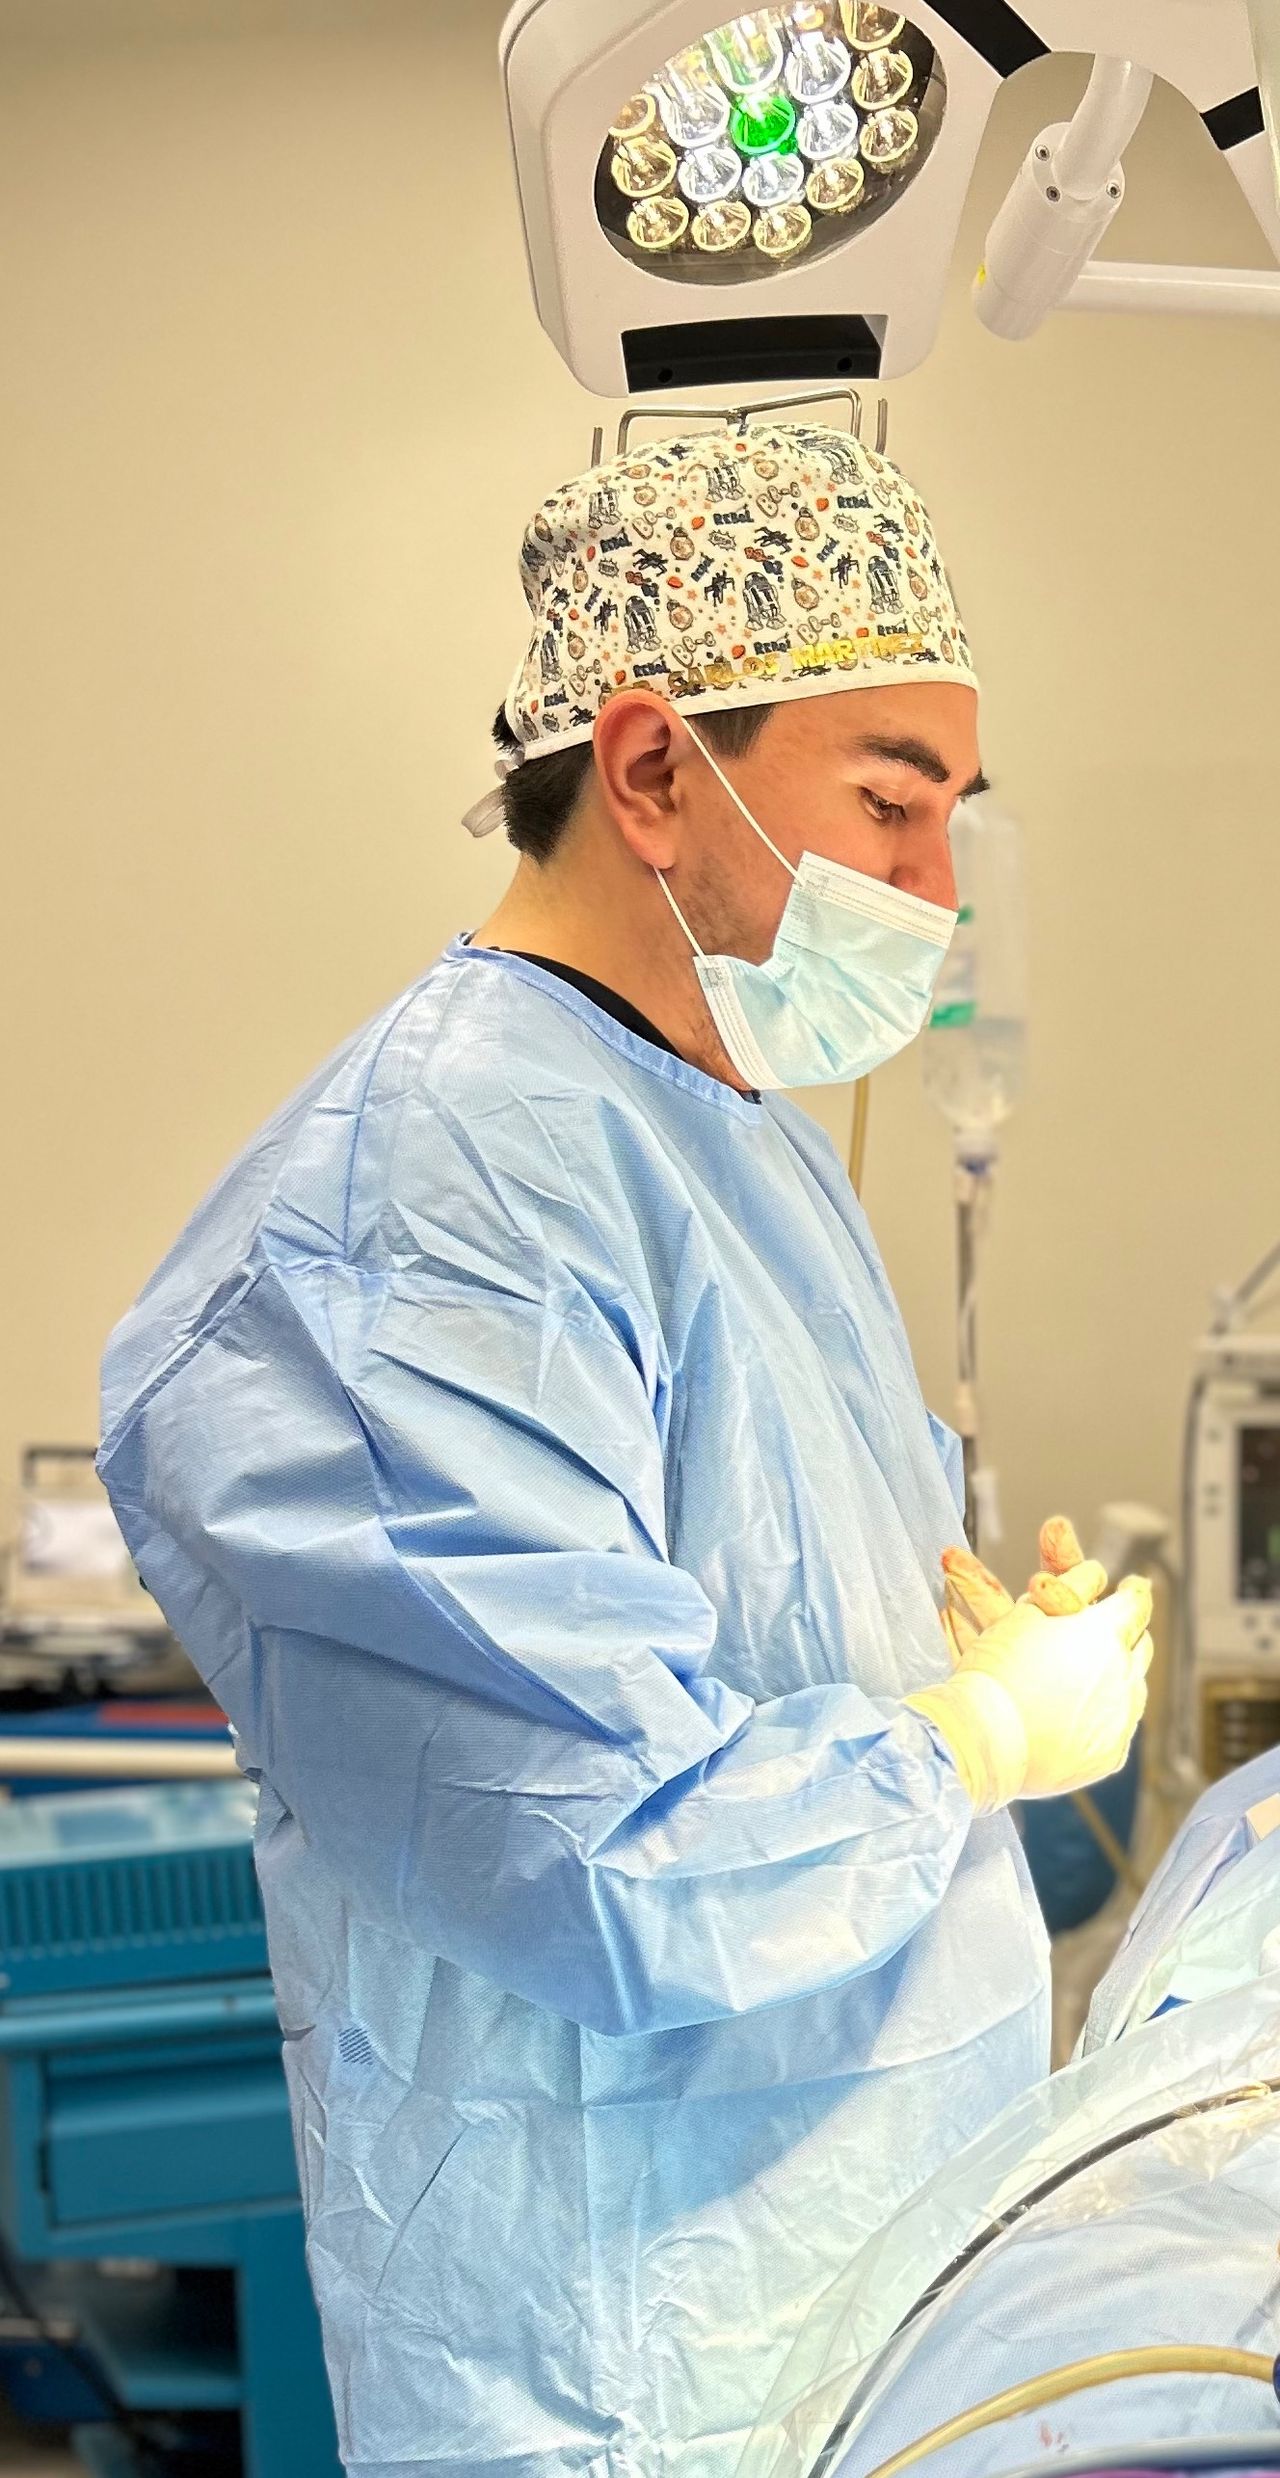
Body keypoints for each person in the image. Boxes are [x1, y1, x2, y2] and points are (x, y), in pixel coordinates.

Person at [98, 423, 1152, 2478]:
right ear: (654, 769)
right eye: (891, 806)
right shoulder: (435, 1200)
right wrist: (970, 1743)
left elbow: (752, 1645)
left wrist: (942, 1657)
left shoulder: (731, 1136)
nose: (937, 899)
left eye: (959, 821)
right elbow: (587, 1854)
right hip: (626, 2359)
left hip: (843, 2282)